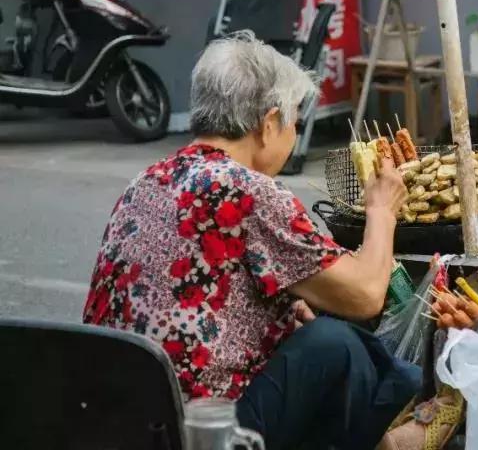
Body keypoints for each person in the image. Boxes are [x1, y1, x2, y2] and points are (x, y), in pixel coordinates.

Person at [83, 32, 417, 450]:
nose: (292, 134)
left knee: (307, 327)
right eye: (293, 122)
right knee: (338, 345)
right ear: (270, 123)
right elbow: (366, 294)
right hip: (196, 432)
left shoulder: (146, 181)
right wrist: (382, 210)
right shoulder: (247, 190)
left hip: (115, 421)